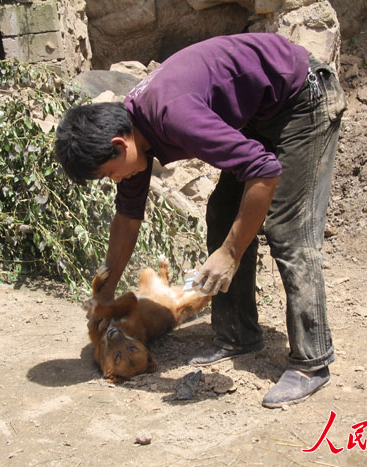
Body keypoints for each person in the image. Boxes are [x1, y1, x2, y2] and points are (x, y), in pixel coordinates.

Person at [55, 33, 346, 407]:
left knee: (288, 229)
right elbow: (127, 217)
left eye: (108, 173)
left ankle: (312, 362)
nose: (114, 181)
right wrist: (105, 291)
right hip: (261, 110)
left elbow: (264, 170)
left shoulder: (172, 115)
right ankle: (237, 335)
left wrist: (230, 252)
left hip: (303, 98)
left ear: (118, 145)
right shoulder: (135, 133)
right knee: (223, 214)